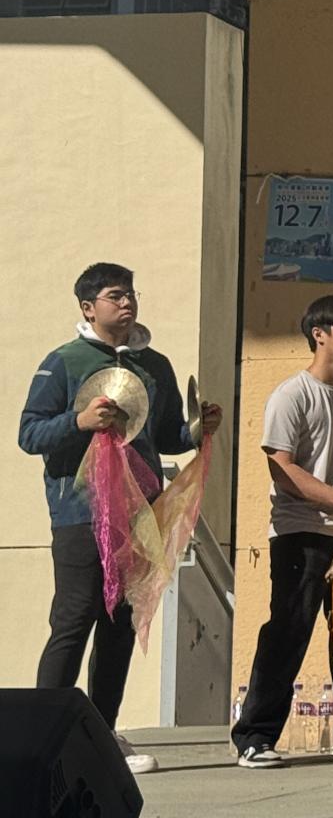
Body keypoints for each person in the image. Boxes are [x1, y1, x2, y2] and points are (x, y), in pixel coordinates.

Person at [19, 262, 220, 777]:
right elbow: (29, 434)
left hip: (140, 511)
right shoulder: (64, 362)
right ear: (88, 308)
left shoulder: (155, 364)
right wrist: (79, 421)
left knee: (120, 625)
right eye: (115, 295)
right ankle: (41, 737)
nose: (127, 302)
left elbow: (164, 435)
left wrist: (196, 430)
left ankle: (101, 733)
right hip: (80, 513)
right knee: (74, 618)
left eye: (131, 293)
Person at [230, 294, 333, 768]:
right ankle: (254, 737)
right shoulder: (292, 395)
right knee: (289, 631)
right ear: (318, 334)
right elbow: (281, 468)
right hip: (300, 532)